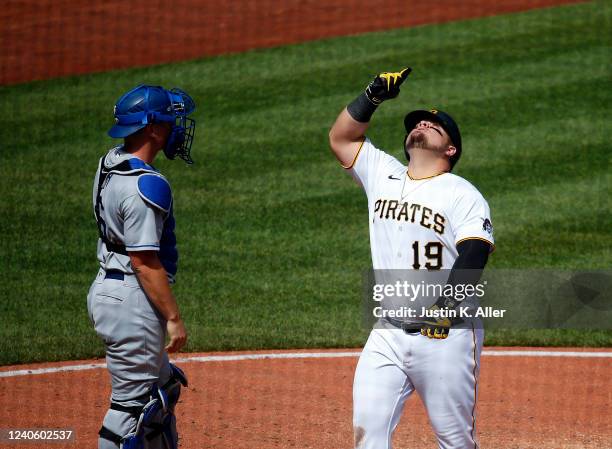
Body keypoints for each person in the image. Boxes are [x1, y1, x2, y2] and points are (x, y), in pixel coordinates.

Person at [329, 68, 494, 449]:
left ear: (451, 150)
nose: (423, 123)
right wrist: (370, 95)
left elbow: (475, 250)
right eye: (418, 122)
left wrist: (447, 306)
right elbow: (341, 137)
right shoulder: (382, 172)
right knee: (367, 433)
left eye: (436, 125)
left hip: (446, 335)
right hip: (385, 332)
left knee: (455, 441)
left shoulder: (461, 193)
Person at [87, 85, 197, 449]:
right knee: (131, 411)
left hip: (111, 289)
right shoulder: (147, 185)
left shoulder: (110, 162)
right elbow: (144, 261)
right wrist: (173, 317)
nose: (175, 127)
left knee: (161, 395)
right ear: (152, 128)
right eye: (169, 120)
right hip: (133, 300)